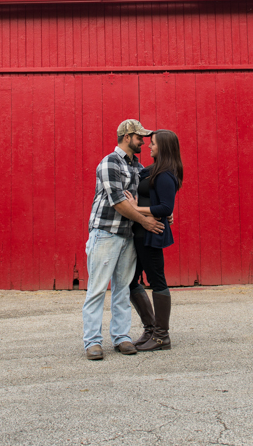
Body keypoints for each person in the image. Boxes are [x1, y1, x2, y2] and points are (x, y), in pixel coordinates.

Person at [81, 119, 164, 361]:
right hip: (105, 232)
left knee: (121, 289)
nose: (143, 141)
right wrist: (145, 220)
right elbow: (118, 202)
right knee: (97, 289)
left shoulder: (138, 167)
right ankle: (93, 342)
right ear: (127, 136)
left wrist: (162, 212)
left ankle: (121, 337)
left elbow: (144, 199)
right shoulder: (109, 163)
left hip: (127, 236)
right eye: (139, 137)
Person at [125, 129, 183, 352]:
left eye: (154, 144)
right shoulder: (151, 171)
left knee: (157, 280)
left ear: (164, 147)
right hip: (140, 234)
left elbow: (166, 208)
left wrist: (135, 208)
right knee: (131, 280)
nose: (149, 146)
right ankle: (150, 329)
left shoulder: (166, 174)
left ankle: (161, 336)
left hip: (153, 233)